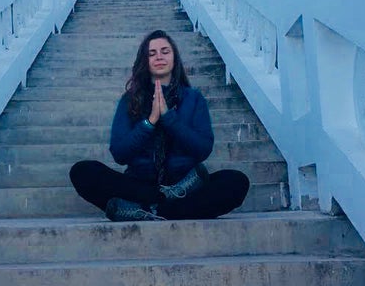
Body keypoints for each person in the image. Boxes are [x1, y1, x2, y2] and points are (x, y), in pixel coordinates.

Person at [70, 30, 250, 221]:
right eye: (152, 53)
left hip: (184, 184)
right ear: (145, 61)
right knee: (82, 172)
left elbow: (203, 149)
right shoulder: (130, 100)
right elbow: (119, 153)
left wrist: (169, 119)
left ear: (174, 58)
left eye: (165, 51)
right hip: (138, 185)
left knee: (236, 182)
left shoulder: (193, 98)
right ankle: (161, 202)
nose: (159, 57)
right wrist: (149, 122)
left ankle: (150, 210)